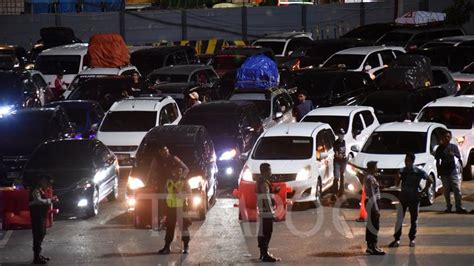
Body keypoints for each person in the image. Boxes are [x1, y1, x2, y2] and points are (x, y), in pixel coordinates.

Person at [389, 153, 433, 248]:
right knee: (399, 219)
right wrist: (397, 178)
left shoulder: (418, 171)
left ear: (412, 161)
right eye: (405, 160)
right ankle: (397, 239)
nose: (406, 162)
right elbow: (397, 184)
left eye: (408, 160)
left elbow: (430, 180)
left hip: (414, 198)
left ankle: (412, 239)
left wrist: (422, 192)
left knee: (414, 220)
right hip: (404, 197)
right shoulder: (402, 171)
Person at [155, 145, 191, 255]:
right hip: (171, 208)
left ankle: (185, 246)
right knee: (169, 227)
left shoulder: (184, 182)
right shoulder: (169, 182)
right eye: (176, 171)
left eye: (180, 170)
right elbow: (165, 195)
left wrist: (180, 193)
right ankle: (167, 246)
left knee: (183, 227)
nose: (178, 172)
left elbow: (189, 193)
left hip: (181, 207)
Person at [434, 129, 467, 214]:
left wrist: (460, 170)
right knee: (446, 191)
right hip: (444, 173)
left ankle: (459, 206)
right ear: (442, 138)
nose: (447, 138)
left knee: (457, 190)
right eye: (445, 137)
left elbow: (459, 158)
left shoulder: (453, 147)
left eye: (448, 137)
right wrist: (438, 172)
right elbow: (437, 161)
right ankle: (448, 206)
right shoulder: (439, 148)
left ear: (450, 137)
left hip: (453, 172)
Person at [29, 175, 58, 264]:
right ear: (43, 180)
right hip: (37, 215)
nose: (48, 186)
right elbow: (38, 200)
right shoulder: (36, 188)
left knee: (42, 233)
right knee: (38, 235)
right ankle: (36, 257)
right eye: (48, 183)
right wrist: (50, 200)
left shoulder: (41, 188)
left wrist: (51, 199)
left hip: (42, 215)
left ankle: (38, 255)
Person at [256, 163, 281, 262]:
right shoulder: (264, 183)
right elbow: (266, 198)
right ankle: (265, 254)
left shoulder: (262, 181)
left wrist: (274, 191)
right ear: (265, 171)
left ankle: (263, 253)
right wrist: (271, 213)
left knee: (263, 231)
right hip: (266, 211)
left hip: (262, 210)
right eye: (270, 170)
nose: (271, 172)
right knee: (267, 231)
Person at [364, 161, 385, 255]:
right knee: (375, 225)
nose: (377, 169)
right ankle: (374, 246)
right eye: (376, 167)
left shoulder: (369, 177)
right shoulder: (370, 179)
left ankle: (370, 246)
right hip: (373, 202)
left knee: (370, 224)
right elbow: (372, 194)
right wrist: (376, 209)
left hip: (371, 202)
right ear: (371, 168)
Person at [332, 128, 347, 199]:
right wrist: (339, 155)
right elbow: (336, 153)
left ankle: (341, 191)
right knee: (336, 177)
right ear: (338, 135)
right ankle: (334, 192)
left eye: (343, 134)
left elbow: (344, 152)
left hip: (343, 161)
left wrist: (346, 157)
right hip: (337, 162)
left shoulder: (344, 141)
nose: (342, 136)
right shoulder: (335, 143)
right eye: (341, 134)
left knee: (342, 176)